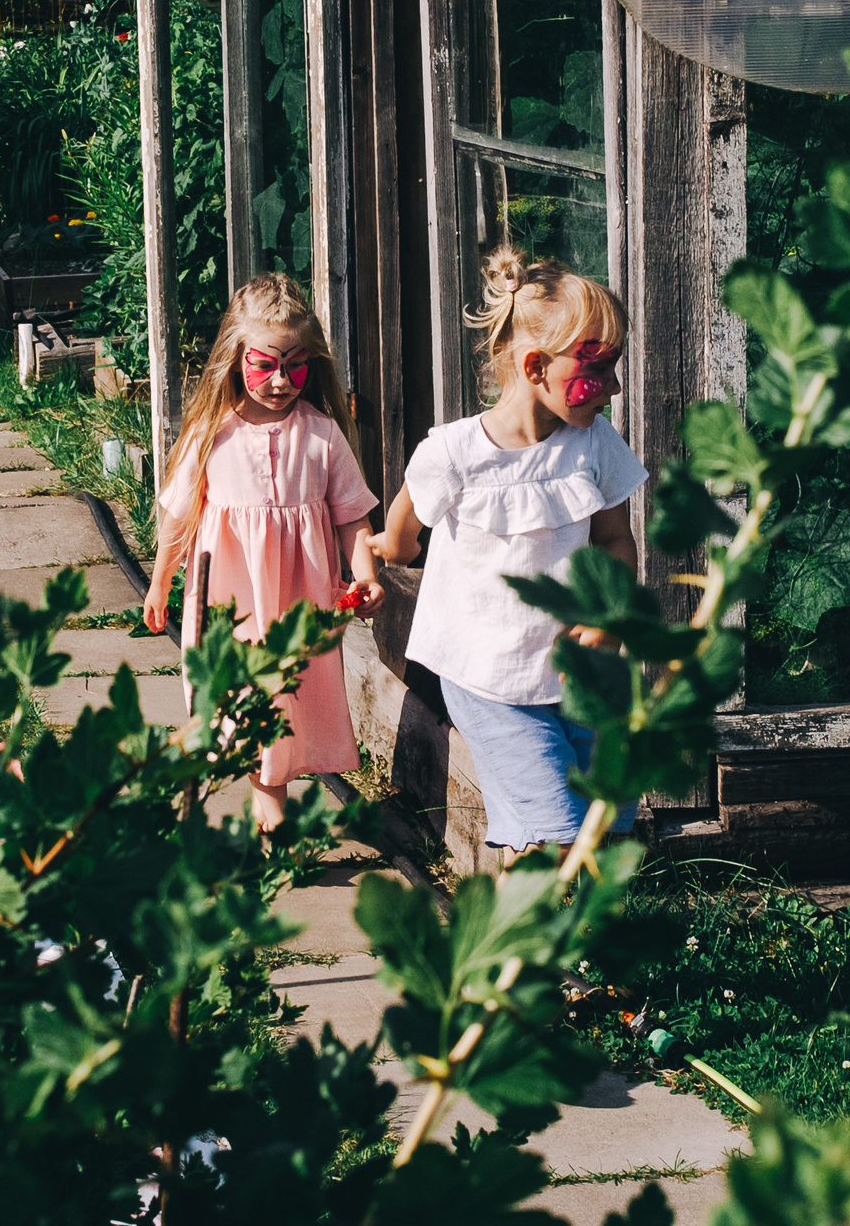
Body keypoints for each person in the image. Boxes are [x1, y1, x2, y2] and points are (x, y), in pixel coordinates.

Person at [369, 246, 644, 854]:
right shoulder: (454, 454)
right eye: (599, 371)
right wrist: (384, 550)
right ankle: (557, 934)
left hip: (576, 670)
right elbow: (402, 526)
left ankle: (562, 920)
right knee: (558, 824)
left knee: (610, 805)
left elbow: (615, 540)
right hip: (490, 674)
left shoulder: (593, 443)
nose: (615, 388)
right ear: (536, 366)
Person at [144, 274, 384, 830]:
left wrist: (365, 574)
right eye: (265, 364)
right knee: (243, 693)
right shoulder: (210, 433)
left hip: (300, 601)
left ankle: (268, 801)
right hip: (230, 601)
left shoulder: (322, 435)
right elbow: (179, 516)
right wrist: (160, 581)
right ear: (235, 357)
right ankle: (268, 805)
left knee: (289, 696)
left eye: (295, 366)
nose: (280, 380)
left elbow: (353, 517)